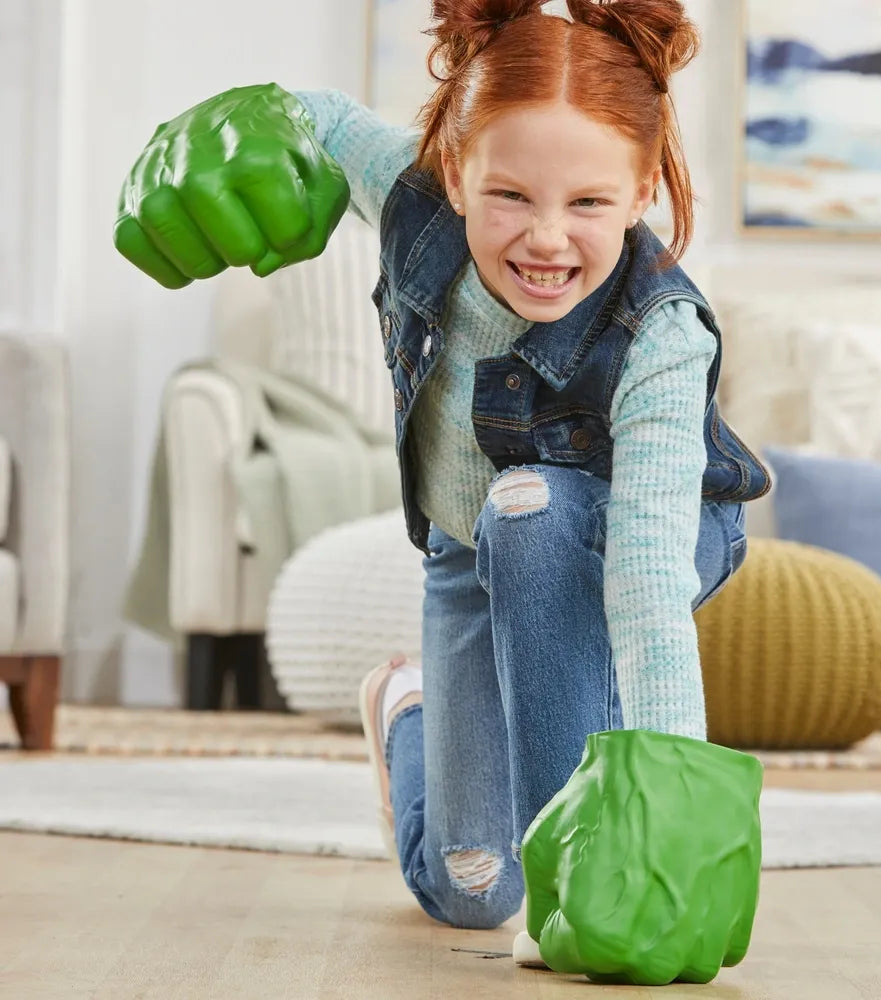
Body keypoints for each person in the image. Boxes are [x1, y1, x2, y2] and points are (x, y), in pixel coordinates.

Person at [114, 0, 771, 986]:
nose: (546, 237)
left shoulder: (661, 334)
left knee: (531, 506)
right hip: (467, 553)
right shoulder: (417, 200)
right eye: (509, 194)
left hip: (639, 538)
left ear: (642, 192)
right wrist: (247, 121)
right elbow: (328, 120)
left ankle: (558, 889)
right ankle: (407, 709)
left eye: (588, 203)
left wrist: (672, 787)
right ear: (456, 173)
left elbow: (645, 576)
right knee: (467, 887)